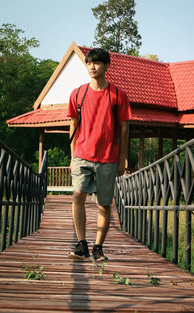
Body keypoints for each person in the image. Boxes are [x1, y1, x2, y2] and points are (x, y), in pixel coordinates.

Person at [67, 48, 132, 261]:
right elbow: (73, 125)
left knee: (104, 204)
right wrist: (72, 155)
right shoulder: (78, 94)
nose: (92, 67)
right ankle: (81, 245)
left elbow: (124, 129)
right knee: (78, 195)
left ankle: (98, 248)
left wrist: (123, 159)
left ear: (106, 66)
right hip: (82, 154)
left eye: (96, 63)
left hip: (107, 158)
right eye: (89, 63)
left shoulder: (117, 95)